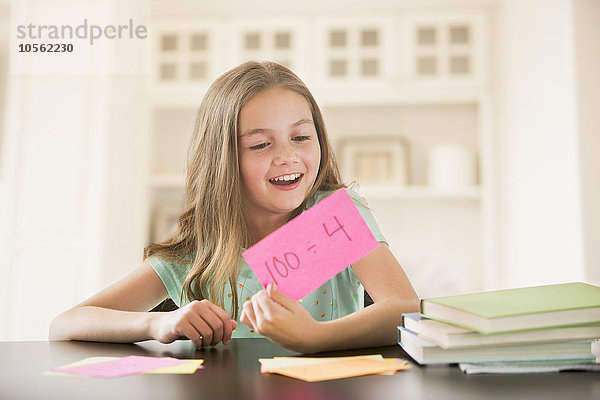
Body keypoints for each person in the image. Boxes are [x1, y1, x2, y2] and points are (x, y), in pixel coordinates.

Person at [49, 61, 419, 353]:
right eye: (261, 145)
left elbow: (405, 308)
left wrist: (316, 336)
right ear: (222, 160)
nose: (288, 156)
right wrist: (156, 324)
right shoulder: (199, 251)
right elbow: (65, 326)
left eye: (301, 137)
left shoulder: (332, 216)